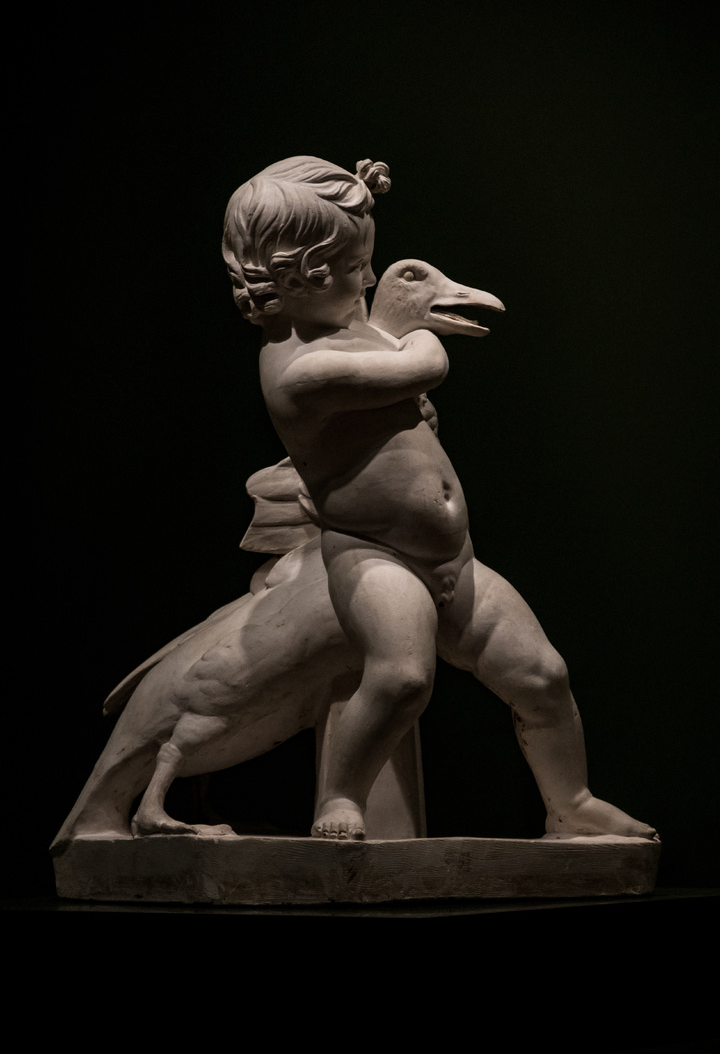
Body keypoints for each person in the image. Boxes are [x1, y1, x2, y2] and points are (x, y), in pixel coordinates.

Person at [222, 156, 657, 842]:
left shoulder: (343, 326)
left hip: (453, 557)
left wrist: (367, 212)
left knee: (543, 676)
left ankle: (570, 803)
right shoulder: (300, 372)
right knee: (401, 678)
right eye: (356, 266)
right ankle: (340, 799)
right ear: (301, 278)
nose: (369, 278)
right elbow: (424, 366)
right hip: (375, 557)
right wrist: (419, 329)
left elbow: (387, 355)